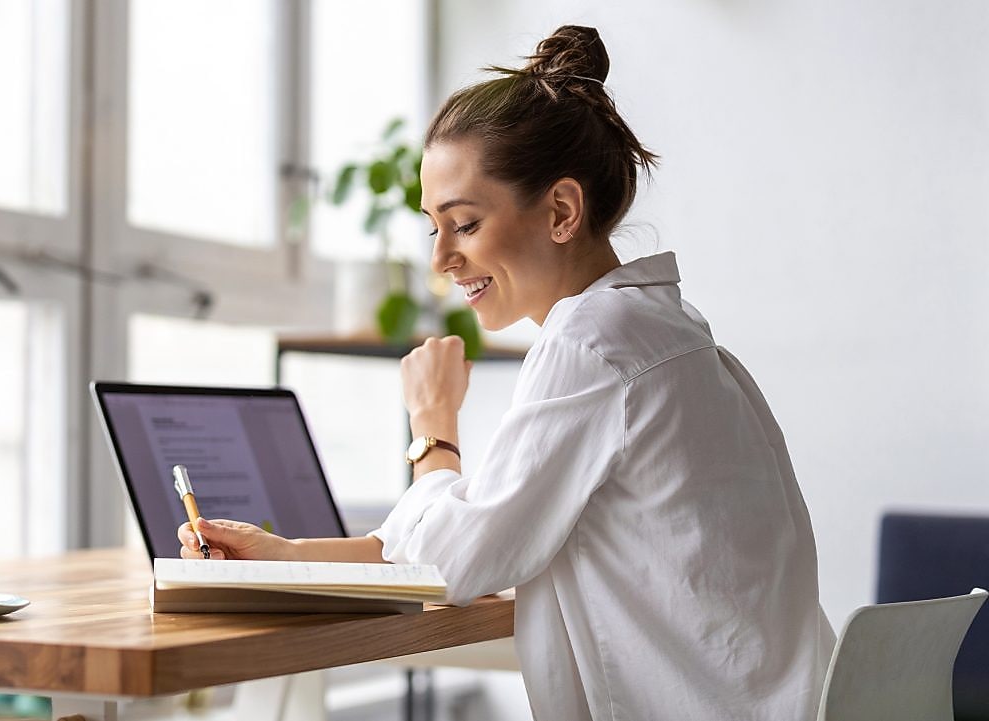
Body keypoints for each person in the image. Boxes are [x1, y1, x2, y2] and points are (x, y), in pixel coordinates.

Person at [179, 24, 835, 721]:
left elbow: (453, 563)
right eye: (434, 227)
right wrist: (284, 555)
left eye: (463, 224)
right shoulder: (667, 332)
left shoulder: (592, 345)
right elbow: (476, 530)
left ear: (560, 211)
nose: (441, 260)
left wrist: (432, 427)